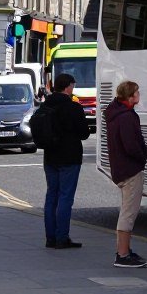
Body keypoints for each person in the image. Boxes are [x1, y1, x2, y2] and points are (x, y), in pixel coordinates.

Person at [41, 73, 90, 249]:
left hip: (50, 157)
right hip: (69, 157)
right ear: (68, 86)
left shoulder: (45, 105)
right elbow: (84, 133)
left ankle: (50, 237)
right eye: (73, 85)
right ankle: (62, 237)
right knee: (65, 197)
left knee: (51, 196)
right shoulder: (73, 108)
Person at [104, 80, 147, 268]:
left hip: (120, 168)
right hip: (130, 169)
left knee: (127, 209)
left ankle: (125, 251)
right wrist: (142, 156)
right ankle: (122, 254)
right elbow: (131, 145)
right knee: (128, 212)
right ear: (130, 97)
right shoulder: (127, 117)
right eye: (137, 93)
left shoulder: (116, 114)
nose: (139, 95)